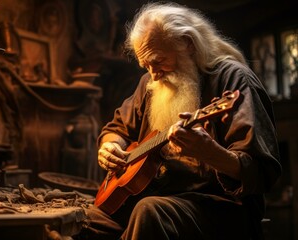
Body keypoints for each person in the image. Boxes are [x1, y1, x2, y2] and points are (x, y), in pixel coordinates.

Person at [74, 2, 282, 240]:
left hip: (222, 210)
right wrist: (110, 146)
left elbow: (262, 173)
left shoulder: (234, 80)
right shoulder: (151, 83)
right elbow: (117, 128)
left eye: (158, 61)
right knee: (80, 219)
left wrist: (210, 153)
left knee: (149, 211)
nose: (153, 74)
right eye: (146, 66)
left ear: (188, 44)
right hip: (156, 195)